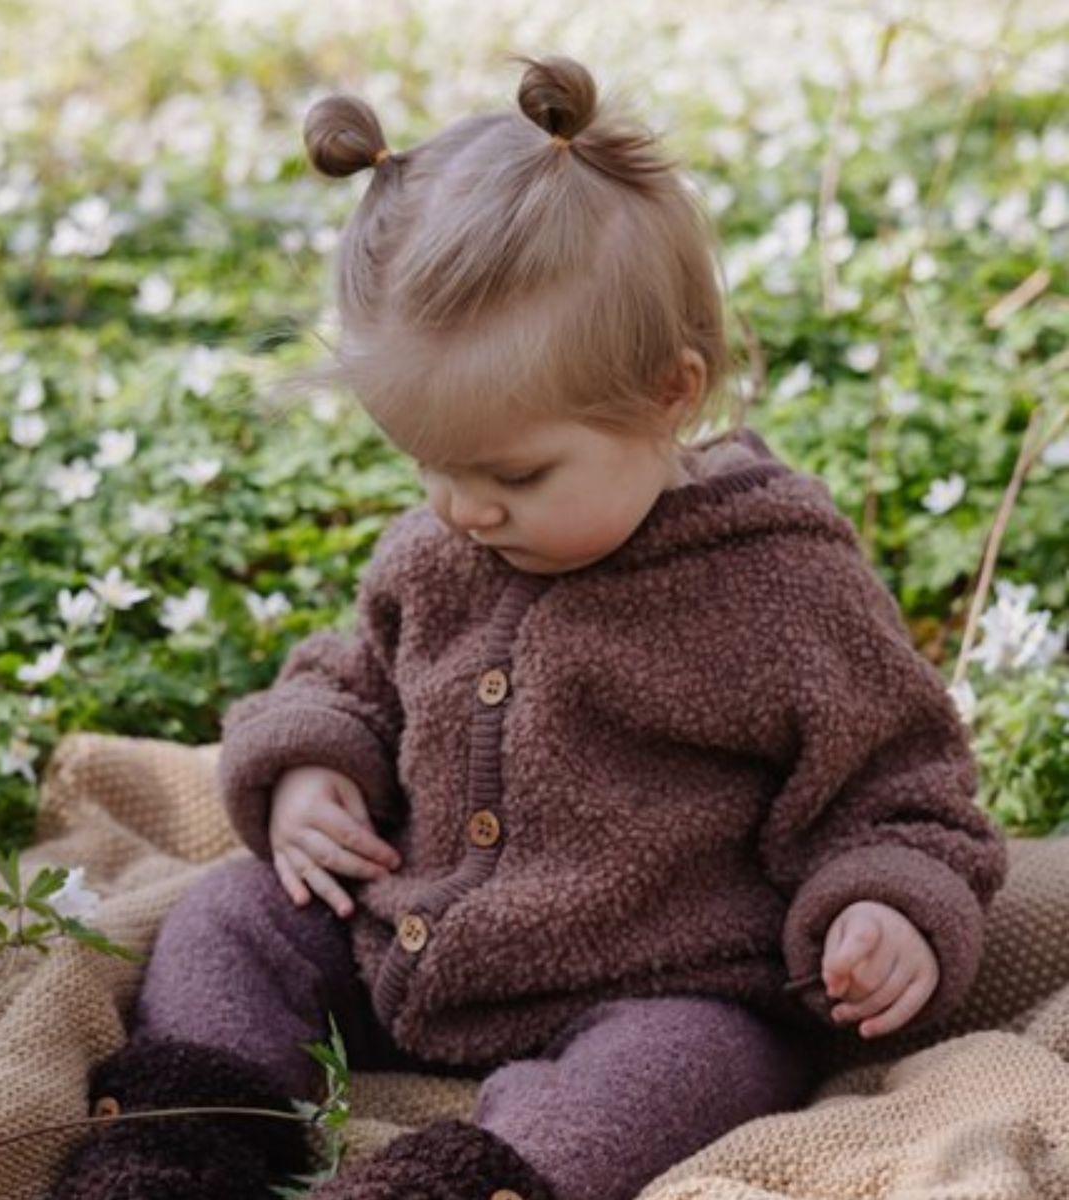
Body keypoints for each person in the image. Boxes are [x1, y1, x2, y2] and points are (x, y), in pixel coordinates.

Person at [51, 53, 1009, 1200]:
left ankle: (471, 1179)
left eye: (513, 472)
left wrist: (883, 906)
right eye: (429, 466)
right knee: (229, 920)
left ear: (669, 393)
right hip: (409, 946)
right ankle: (190, 1136)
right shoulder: (440, 547)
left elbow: (899, 788)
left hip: (655, 983)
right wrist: (312, 773)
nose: (464, 507)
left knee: (689, 1070)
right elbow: (352, 679)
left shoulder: (780, 586)